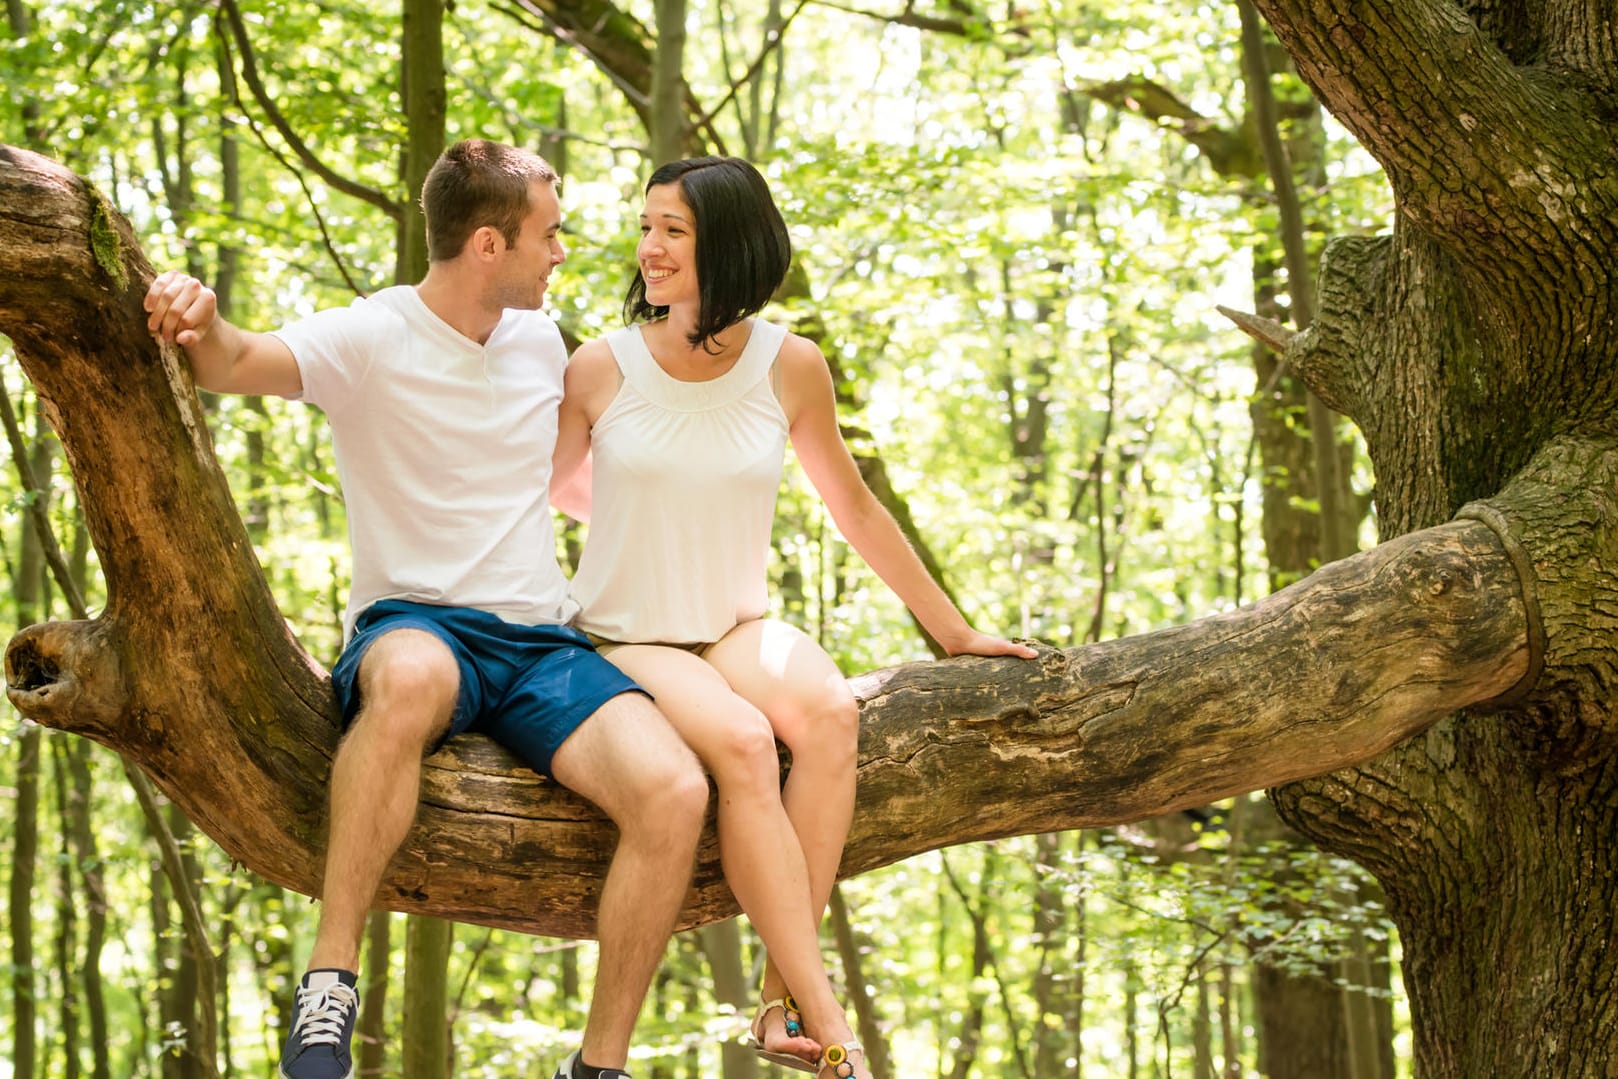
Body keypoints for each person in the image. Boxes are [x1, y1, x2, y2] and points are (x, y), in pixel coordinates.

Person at [143, 138, 709, 1079]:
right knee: (406, 681)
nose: (563, 252)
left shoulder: (541, 339)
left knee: (676, 788)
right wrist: (194, 309)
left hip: (540, 642)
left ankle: (598, 1064)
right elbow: (234, 360)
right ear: (488, 244)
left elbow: (579, 480)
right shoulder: (372, 335)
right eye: (550, 234)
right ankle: (329, 981)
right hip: (419, 623)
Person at [553, 157, 1038, 1079]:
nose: (649, 248)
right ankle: (833, 1028)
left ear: (728, 244)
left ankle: (781, 1004)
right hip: (629, 634)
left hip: (736, 626)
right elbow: (541, 490)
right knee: (740, 743)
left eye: (674, 231)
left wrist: (954, 630)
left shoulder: (791, 365)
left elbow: (856, 509)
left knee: (830, 716)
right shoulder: (598, 367)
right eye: (647, 226)